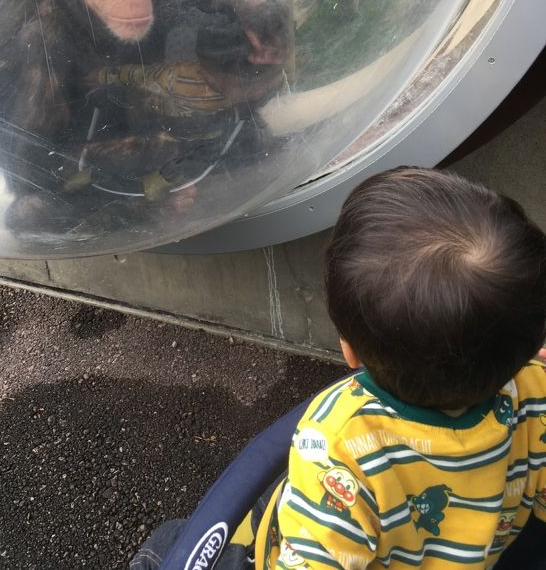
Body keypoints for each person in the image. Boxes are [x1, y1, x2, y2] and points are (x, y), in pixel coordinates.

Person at [132, 168, 546, 569]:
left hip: (330, 530)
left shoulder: (340, 443)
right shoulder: (536, 389)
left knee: (166, 544)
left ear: (349, 353)